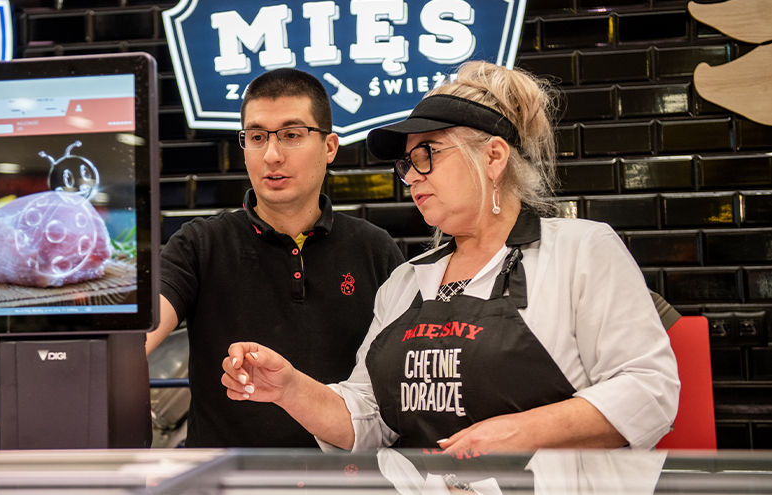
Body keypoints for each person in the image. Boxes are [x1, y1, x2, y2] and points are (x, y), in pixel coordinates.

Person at [222, 61, 680, 454]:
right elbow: (370, 417)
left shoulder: (581, 251)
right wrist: (291, 390)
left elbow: (649, 390)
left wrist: (517, 434)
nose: (412, 177)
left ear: (494, 157)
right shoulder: (405, 282)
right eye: (406, 164)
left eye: (427, 155)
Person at [146, 68, 405, 448]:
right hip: (225, 484)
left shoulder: (376, 249)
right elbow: (139, 335)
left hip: (345, 481)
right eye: (256, 137)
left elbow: (402, 387)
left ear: (330, 147)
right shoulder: (200, 244)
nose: (271, 154)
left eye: (292, 135)